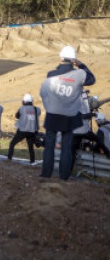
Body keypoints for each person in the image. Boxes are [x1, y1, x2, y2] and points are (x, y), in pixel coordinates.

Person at [39, 46, 95, 180]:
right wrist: (81, 65)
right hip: (69, 115)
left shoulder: (51, 74)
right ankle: (64, 176)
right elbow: (92, 79)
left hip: (53, 114)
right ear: (73, 60)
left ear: (60, 58)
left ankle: (46, 173)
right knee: (67, 146)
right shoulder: (79, 75)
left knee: (49, 145)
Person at [7, 94, 40, 164]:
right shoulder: (37, 109)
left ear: (24, 101)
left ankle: (9, 158)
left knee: (12, 143)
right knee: (31, 147)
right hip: (32, 131)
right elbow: (38, 114)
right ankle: (32, 161)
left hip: (22, 130)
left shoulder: (22, 108)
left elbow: (17, 116)